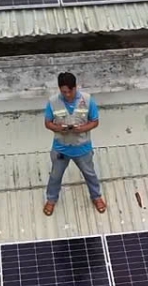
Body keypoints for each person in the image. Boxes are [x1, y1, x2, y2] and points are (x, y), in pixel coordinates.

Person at [43, 72, 107, 216]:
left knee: (90, 174)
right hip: (61, 148)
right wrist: (58, 128)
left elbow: (95, 121)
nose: (67, 95)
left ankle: (96, 197)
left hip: (82, 148)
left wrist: (82, 129)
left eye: (69, 91)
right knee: (55, 176)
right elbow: (47, 123)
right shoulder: (53, 102)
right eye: (63, 92)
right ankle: (51, 200)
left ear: (75, 87)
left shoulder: (87, 100)